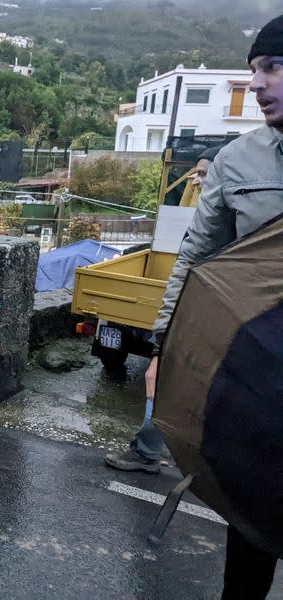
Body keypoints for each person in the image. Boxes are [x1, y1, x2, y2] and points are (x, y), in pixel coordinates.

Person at [146, 16, 283, 598]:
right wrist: (163, 346)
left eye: (272, 66)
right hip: (260, 375)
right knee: (250, 525)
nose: (256, 83)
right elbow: (196, 263)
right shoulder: (237, 161)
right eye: (255, 70)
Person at [104, 144, 222, 475]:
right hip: (193, 314)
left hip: (208, 316)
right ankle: (152, 450)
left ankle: (156, 453)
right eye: (195, 173)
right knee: (162, 378)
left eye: (204, 174)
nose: (196, 182)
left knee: (173, 382)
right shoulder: (206, 215)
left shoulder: (223, 218)